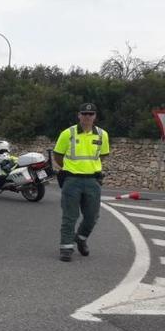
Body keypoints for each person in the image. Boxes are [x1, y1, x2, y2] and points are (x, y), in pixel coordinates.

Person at [53, 103, 110, 262]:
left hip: (93, 180)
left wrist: (92, 167)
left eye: (90, 114)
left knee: (92, 216)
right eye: (84, 114)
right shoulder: (68, 133)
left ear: (95, 116)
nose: (87, 117)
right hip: (72, 180)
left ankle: (81, 238)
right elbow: (57, 155)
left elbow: (103, 156)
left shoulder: (102, 135)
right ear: (79, 115)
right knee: (70, 216)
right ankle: (66, 248)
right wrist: (69, 168)